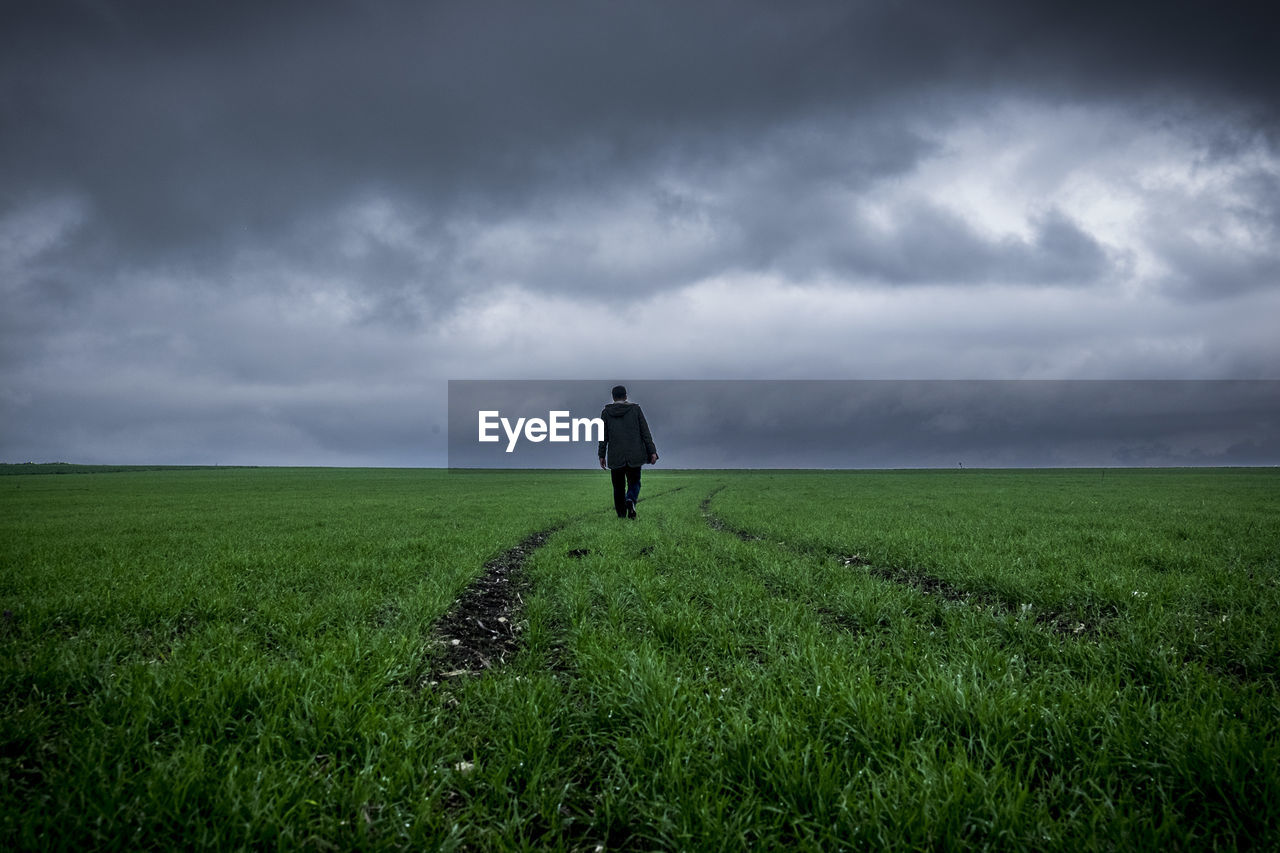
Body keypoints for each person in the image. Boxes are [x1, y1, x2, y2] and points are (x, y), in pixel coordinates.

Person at [597, 385, 658, 519]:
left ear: (613, 397)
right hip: (635, 455)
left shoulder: (606, 413)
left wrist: (601, 455)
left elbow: (603, 437)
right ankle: (630, 500)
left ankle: (621, 516)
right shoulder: (635, 409)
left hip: (615, 456)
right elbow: (645, 432)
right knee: (634, 483)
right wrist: (652, 451)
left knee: (618, 487)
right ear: (625, 396)